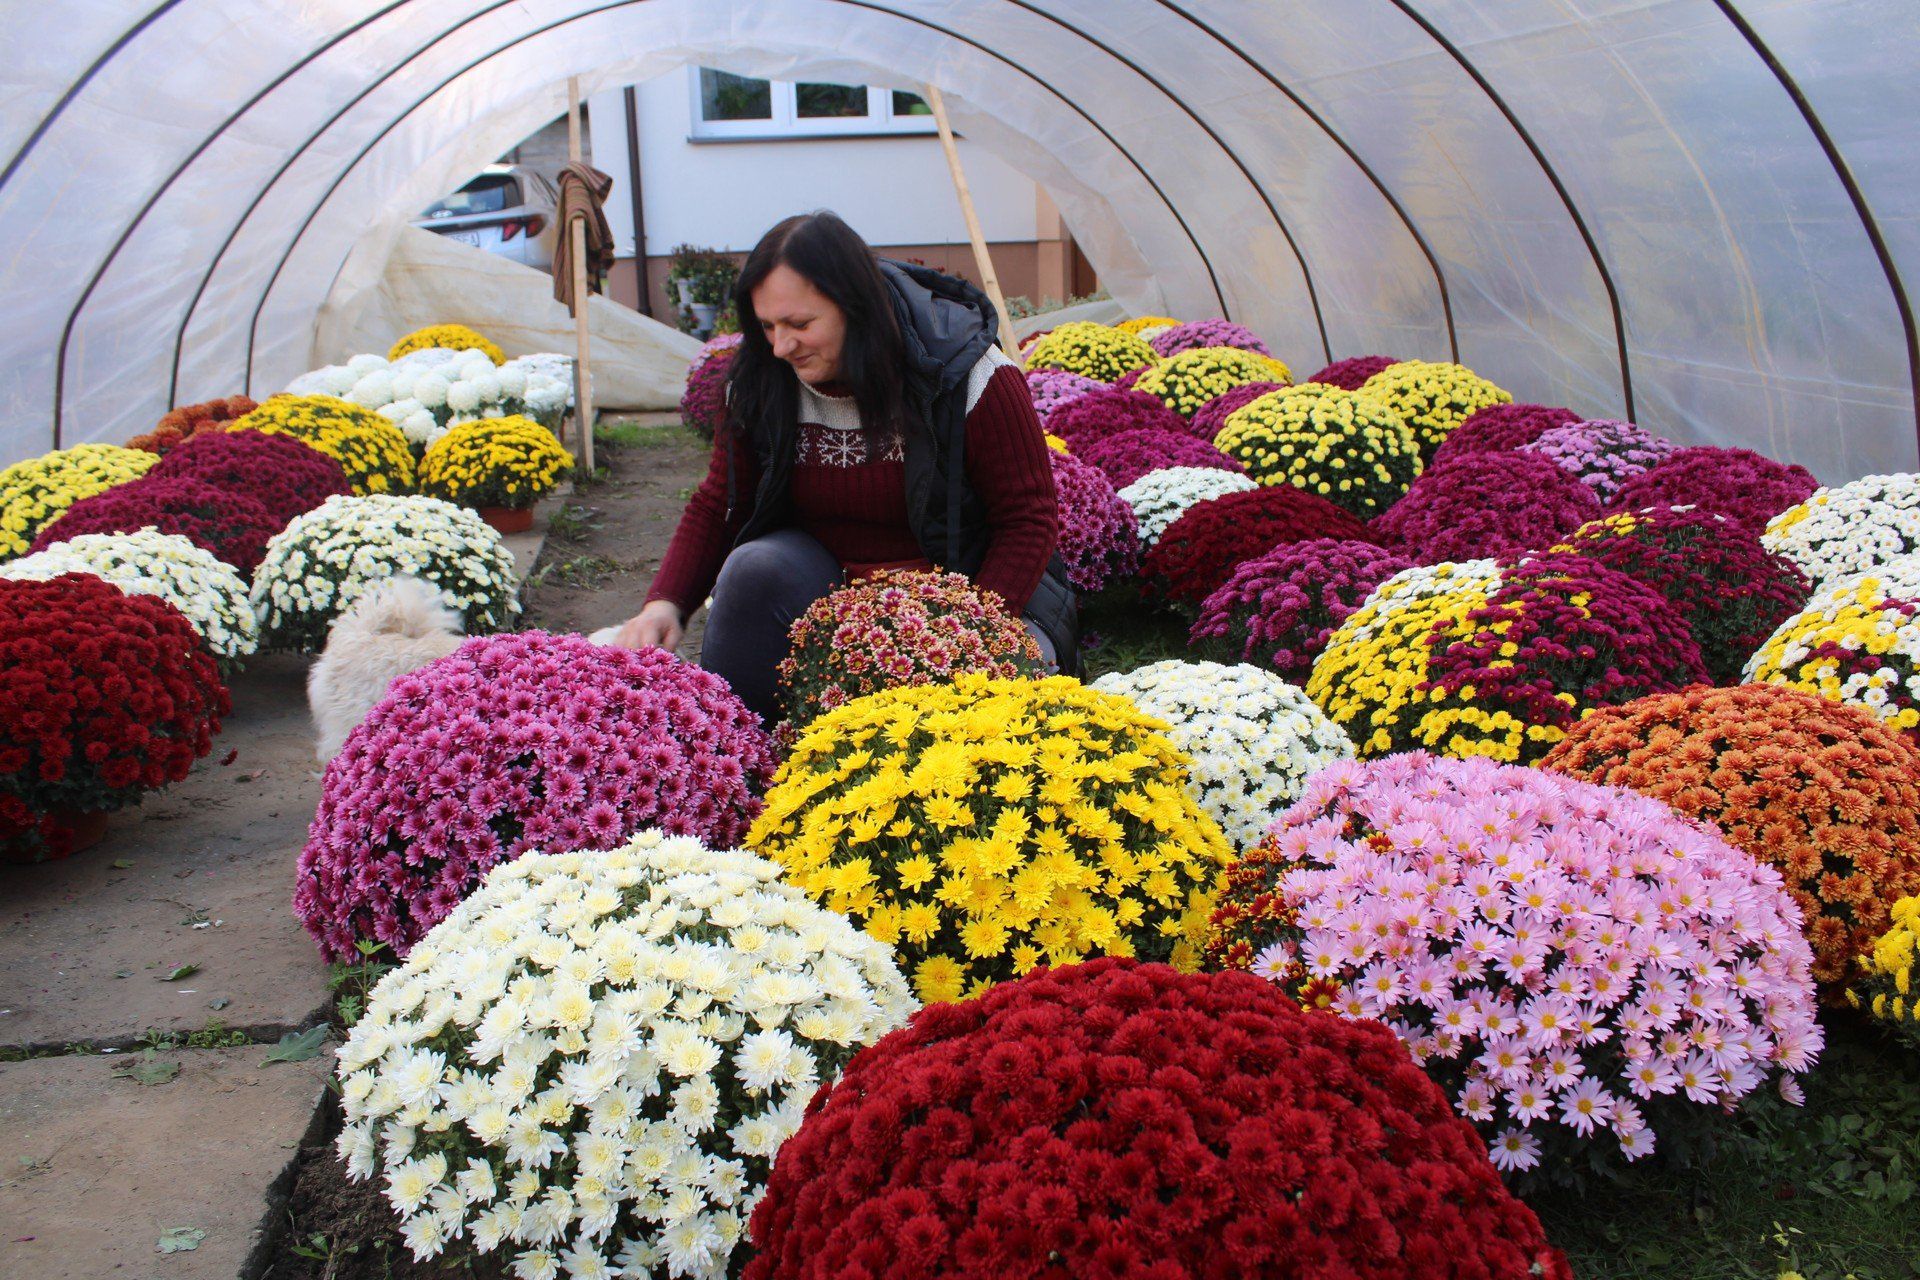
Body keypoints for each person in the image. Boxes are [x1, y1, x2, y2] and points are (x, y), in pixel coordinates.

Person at [613, 211, 1076, 721]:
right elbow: (719, 502)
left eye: (800, 324)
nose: (780, 346)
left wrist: (965, 633)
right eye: (766, 325)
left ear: (855, 309)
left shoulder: (969, 374)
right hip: (827, 597)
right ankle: (740, 756)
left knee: (989, 720)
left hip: (966, 593)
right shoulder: (760, 381)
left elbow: (1027, 520)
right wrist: (666, 603)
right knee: (751, 570)